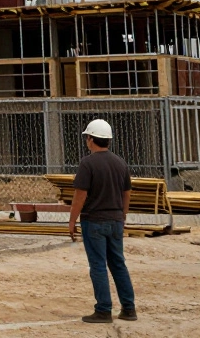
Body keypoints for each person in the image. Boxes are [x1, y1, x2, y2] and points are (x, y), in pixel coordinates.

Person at [67, 119, 136, 323]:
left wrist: (72, 221)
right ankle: (129, 308)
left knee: (97, 265)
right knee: (118, 264)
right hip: (115, 220)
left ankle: (104, 310)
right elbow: (127, 193)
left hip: (94, 222)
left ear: (90, 139)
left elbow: (80, 196)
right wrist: (122, 215)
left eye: (87, 137)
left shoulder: (87, 163)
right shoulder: (120, 162)